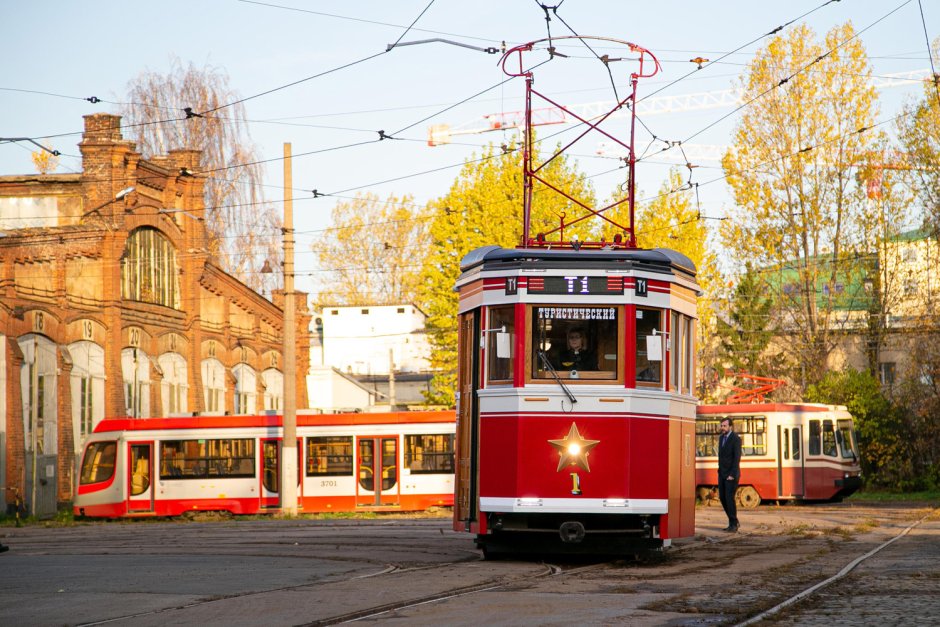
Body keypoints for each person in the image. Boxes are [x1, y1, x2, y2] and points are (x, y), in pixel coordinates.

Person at [717, 418, 742, 532]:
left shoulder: (735, 439)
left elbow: (737, 458)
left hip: (731, 474)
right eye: (722, 425)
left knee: (729, 498)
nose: (723, 427)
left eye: (725, 426)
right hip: (722, 473)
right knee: (722, 498)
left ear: (730, 427)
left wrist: (732, 474)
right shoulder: (721, 438)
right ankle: (733, 521)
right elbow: (721, 457)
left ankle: (733, 524)